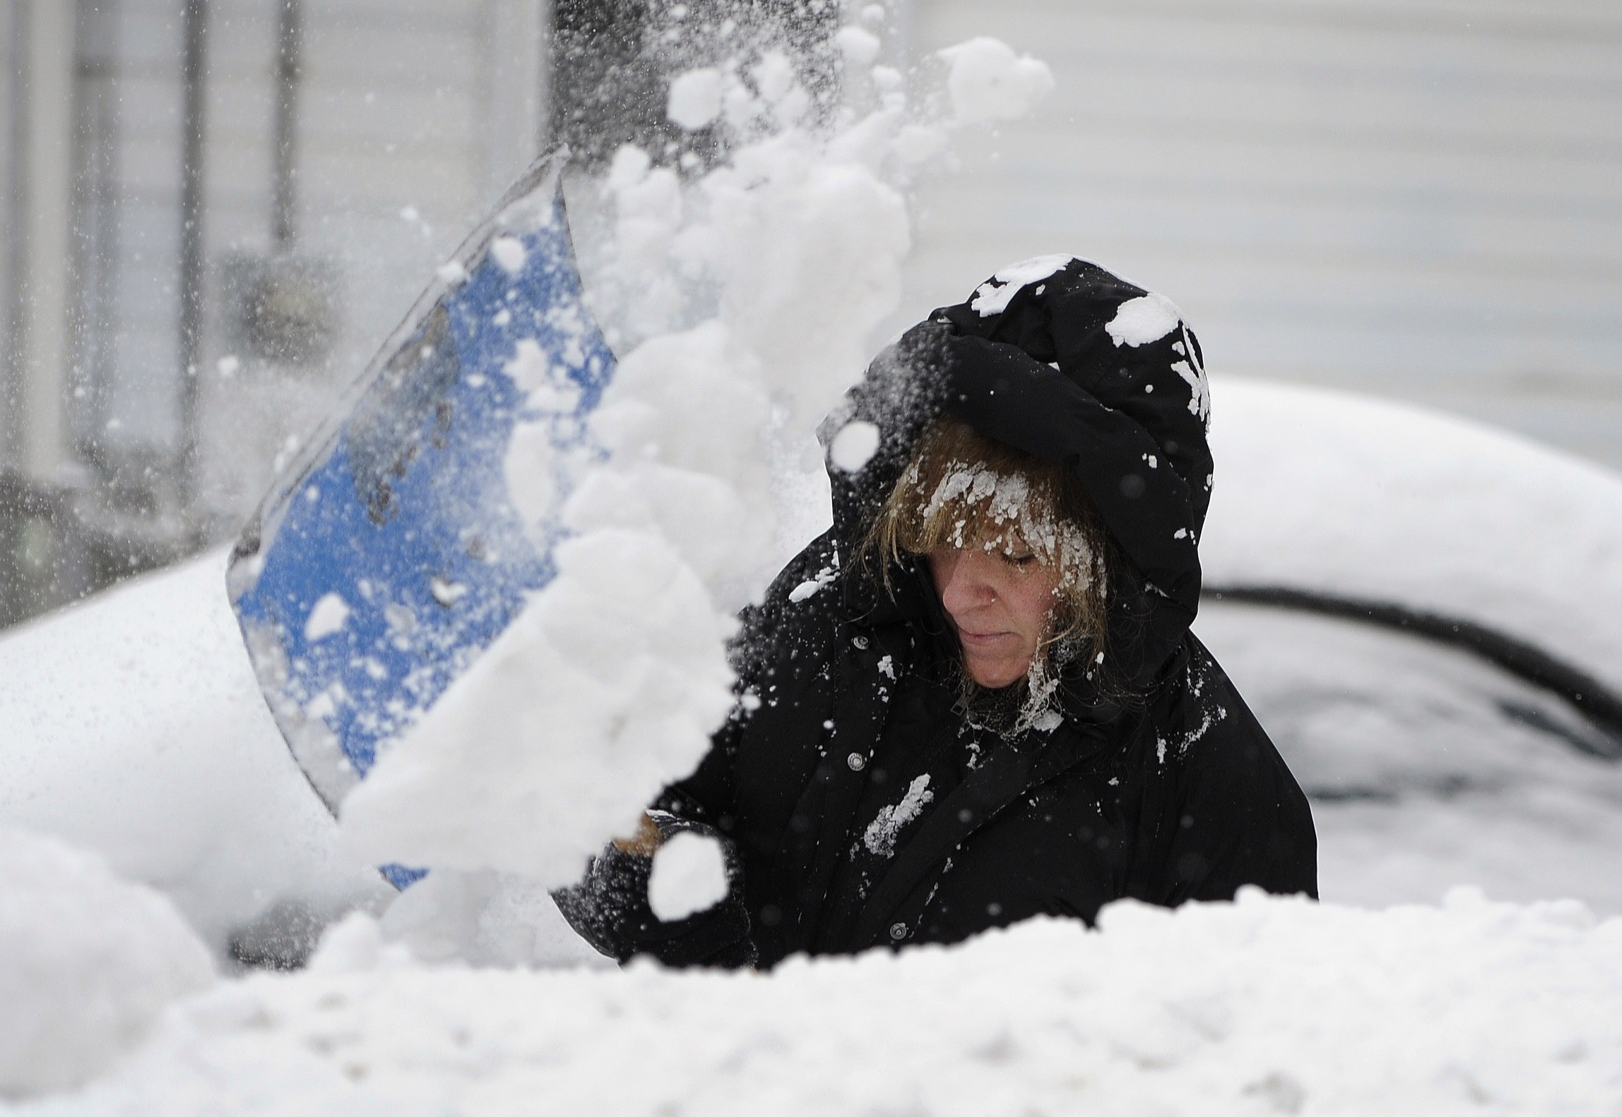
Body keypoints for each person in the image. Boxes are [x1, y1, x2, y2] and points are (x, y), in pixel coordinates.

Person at [555, 258, 1316, 967]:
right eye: (940, 542)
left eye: (1016, 556)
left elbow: (1242, 1068)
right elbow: (678, 818)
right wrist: (619, 845)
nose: (958, 593)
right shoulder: (834, 617)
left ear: (1112, 564)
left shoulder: (1209, 782)